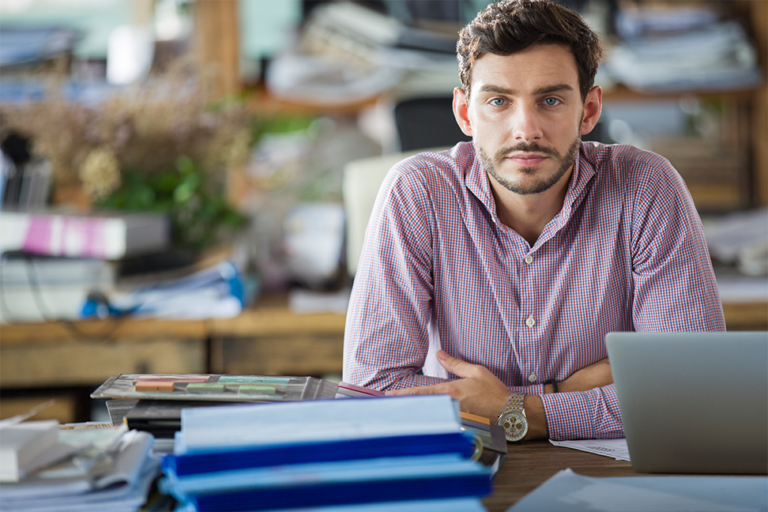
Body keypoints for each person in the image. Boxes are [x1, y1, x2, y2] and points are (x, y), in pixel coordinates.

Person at [342, 0, 725, 441]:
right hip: (466, 471)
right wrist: (565, 392)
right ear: (466, 113)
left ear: (589, 111)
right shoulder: (417, 193)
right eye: (499, 101)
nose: (526, 129)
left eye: (551, 100)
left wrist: (513, 408)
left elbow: (696, 392)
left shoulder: (646, 188)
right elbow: (372, 396)